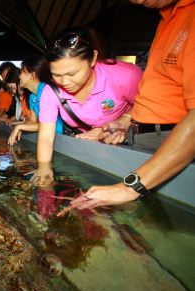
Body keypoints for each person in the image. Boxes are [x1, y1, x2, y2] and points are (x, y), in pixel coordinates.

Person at [68, 0, 195, 210]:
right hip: (144, 139)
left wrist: (127, 189)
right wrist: (125, 121)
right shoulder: (166, 18)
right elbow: (163, 90)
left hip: (174, 144)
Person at [34, 26, 143, 185]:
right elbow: (45, 138)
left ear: (93, 58)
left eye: (72, 74)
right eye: (56, 75)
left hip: (126, 146)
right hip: (88, 149)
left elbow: (149, 103)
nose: (65, 82)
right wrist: (44, 169)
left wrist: (123, 122)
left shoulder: (125, 75)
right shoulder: (50, 91)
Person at [8, 55, 64, 145]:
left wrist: (19, 127)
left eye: (22, 71)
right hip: (50, 139)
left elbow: (47, 125)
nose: (19, 76)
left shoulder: (46, 92)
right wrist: (22, 126)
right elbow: (32, 121)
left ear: (33, 75)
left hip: (62, 140)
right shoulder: (32, 97)